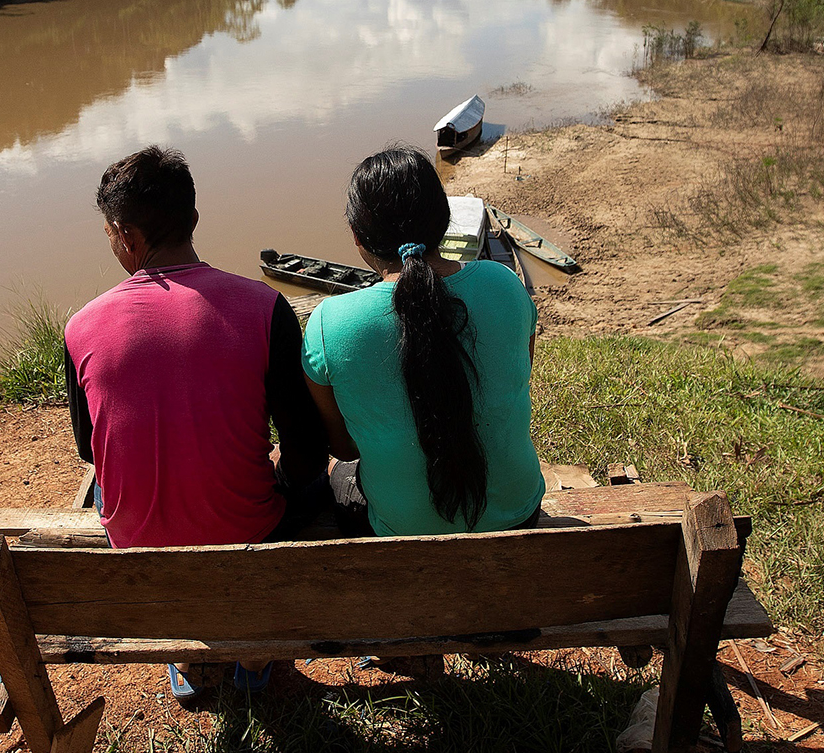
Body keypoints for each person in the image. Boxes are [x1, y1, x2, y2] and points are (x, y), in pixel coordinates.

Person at [63, 145, 328, 703]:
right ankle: (255, 651)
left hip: (139, 549)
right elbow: (305, 444)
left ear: (126, 236)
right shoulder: (264, 306)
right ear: (195, 220)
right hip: (252, 534)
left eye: (109, 234)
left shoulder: (82, 327)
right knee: (298, 487)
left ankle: (187, 650)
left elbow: (91, 451)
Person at [302, 146, 546, 540]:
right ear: (444, 220)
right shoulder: (506, 286)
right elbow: (519, 377)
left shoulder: (331, 324)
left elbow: (344, 448)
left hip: (401, 531)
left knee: (342, 473)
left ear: (357, 236)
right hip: (519, 514)